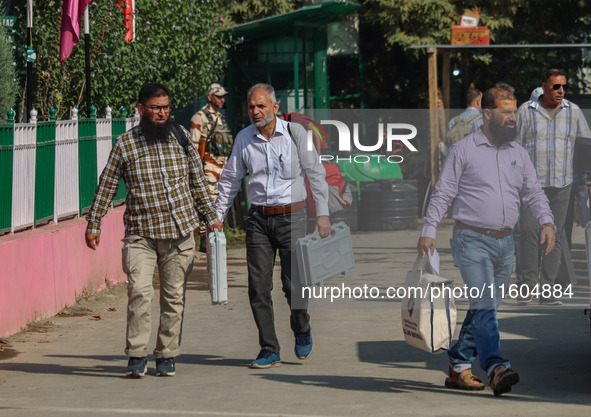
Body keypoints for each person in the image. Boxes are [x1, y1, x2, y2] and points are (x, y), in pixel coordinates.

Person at [418, 83, 555, 396]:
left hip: (506, 244)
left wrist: (547, 221)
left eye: (514, 112)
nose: (512, 119)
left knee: (486, 305)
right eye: (506, 113)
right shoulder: (464, 150)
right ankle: (495, 367)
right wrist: (428, 230)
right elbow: (443, 192)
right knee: (484, 304)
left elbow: (533, 192)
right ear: (487, 112)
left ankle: (458, 365)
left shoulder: (518, 152)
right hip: (472, 240)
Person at [85, 82, 223, 378]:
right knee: (140, 293)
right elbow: (107, 185)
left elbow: (197, 181)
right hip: (141, 235)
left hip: (179, 233)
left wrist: (210, 216)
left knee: (174, 297)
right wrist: (94, 222)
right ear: (141, 109)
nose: (162, 113)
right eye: (155, 108)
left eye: (166, 107)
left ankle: (167, 354)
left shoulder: (181, 137)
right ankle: (137, 354)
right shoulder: (125, 144)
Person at [214, 83, 331, 369]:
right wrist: (218, 215)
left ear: (275, 108)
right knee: (258, 288)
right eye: (252, 106)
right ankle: (269, 348)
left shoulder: (296, 134)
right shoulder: (244, 138)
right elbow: (230, 179)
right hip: (258, 221)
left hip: (293, 218)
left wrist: (323, 214)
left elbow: (315, 173)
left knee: (294, 286)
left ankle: (301, 327)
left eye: (261, 106)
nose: (255, 111)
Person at [517, 68, 591, 305]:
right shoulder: (526, 112)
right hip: (531, 185)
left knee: (555, 235)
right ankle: (527, 287)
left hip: (562, 183)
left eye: (564, 87)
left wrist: (584, 180)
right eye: (556, 87)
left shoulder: (574, 112)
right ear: (544, 86)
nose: (561, 91)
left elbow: (584, 146)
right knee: (529, 231)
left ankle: (547, 290)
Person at [190, 83, 234, 252]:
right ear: (210, 97)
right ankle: (204, 241)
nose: (222, 99)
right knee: (208, 203)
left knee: (220, 203)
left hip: (222, 168)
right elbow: (194, 146)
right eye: (218, 96)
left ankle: (214, 238)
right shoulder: (199, 117)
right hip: (208, 167)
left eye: (223, 96)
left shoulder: (221, 118)